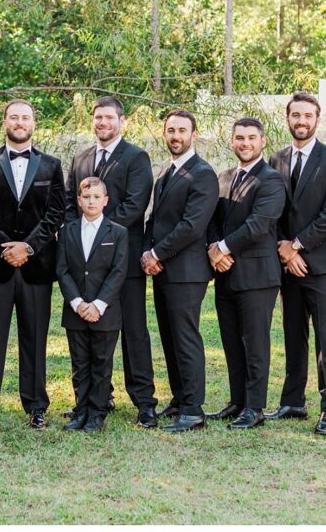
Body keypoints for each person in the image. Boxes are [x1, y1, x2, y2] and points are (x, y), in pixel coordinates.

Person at [0, 99, 66, 429]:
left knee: (35, 338)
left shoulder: (51, 165)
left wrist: (29, 247)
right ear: (5, 122)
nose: (20, 122)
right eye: (14, 117)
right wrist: (3, 248)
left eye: (25, 117)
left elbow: (56, 213)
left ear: (34, 123)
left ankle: (36, 404)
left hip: (36, 268)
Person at [64, 97, 158, 428]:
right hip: (84, 264)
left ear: (122, 121)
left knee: (133, 332)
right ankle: (95, 399)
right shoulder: (82, 157)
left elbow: (135, 205)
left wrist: (102, 232)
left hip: (123, 262)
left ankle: (145, 401)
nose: (103, 123)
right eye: (98, 117)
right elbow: (68, 204)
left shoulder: (136, 158)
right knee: (88, 333)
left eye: (109, 117)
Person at [266, 92, 326, 435]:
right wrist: (284, 250)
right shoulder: (276, 159)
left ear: (317, 119)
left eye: (307, 115)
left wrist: (298, 246)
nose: (301, 121)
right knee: (292, 334)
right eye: (295, 115)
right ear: (288, 119)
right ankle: (293, 400)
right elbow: (272, 210)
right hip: (288, 265)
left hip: (322, 265)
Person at [140, 110, 218, 433]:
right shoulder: (165, 175)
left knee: (186, 338)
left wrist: (156, 252)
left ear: (194, 135)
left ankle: (193, 409)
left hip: (187, 271)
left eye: (182, 130)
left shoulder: (202, 174)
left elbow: (191, 226)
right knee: (170, 337)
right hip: (163, 271)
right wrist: (147, 253)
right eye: (170, 130)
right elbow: (155, 221)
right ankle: (180, 396)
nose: (175, 135)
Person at [206, 117, 286, 430]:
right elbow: (212, 219)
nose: (245, 143)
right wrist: (214, 246)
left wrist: (222, 248)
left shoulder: (271, 180)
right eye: (240, 138)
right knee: (231, 341)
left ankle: (255, 408)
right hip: (225, 275)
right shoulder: (224, 177)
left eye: (251, 138)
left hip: (257, 276)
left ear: (262, 142)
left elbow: (259, 224)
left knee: (254, 343)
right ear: (232, 141)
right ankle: (237, 401)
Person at [56, 177, 128, 434]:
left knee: (101, 362)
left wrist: (97, 304)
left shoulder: (118, 232)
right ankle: (81, 410)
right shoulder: (67, 231)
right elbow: (62, 270)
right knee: (80, 364)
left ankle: (97, 413)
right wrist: (77, 303)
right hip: (76, 309)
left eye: (97, 197)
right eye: (86, 197)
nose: (91, 201)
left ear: (106, 201)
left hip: (105, 311)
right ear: (78, 200)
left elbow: (118, 272)